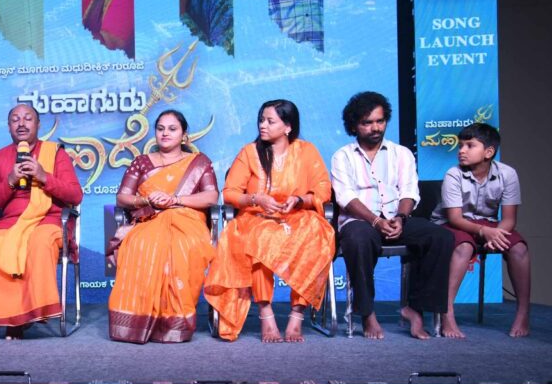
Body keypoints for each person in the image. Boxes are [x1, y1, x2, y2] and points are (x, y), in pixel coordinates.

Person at [204, 100, 334, 342]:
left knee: (316, 234)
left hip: (296, 215)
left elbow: (323, 189)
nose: (262, 125)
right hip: (255, 217)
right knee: (261, 239)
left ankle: (297, 316)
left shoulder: (307, 151)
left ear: (288, 127)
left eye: (270, 121)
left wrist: (300, 200)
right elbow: (230, 192)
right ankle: (266, 313)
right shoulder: (250, 152)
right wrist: (256, 199)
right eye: (261, 120)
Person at [331, 91, 453, 340]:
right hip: (360, 221)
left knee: (440, 237)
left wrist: (401, 218)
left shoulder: (401, 153)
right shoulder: (342, 156)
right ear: (354, 126)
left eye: (380, 120)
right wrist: (376, 221)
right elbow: (345, 197)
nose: (375, 127)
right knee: (358, 238)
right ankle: (367, 313)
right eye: (367, 123)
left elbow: (409, 191)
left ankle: (415, 309)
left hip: (396, 218)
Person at [0, 103, 83, 339]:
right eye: (15, 119)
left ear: (38, 125)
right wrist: (10, 180)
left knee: (38, 241)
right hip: (10, 223)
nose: (21, 124)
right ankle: (11, 315)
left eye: (27, 118)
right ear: (8, 126)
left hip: (49, 221)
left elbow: (75, 195)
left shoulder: (56, 154)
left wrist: (43, 176)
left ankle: (33, 311)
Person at [108, 110, 218, 343]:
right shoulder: (141, 162)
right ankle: (138, 322)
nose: (165, 133)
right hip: (150, 219)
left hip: (188, 221)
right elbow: (122, 197)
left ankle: (173, 324)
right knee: (140, 243)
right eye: (160, 129)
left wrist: (175, 199)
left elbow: (211, 197)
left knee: (182, 246)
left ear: (184, 135)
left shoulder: (199, 163)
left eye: (172, 129)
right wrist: (146, 200)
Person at [432, 123, 529, 338]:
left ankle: (523, 313)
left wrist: (495, 235)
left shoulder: (508, 174)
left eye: (470, 145)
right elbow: (455, 218)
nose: (462, 150)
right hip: (453, 224)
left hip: (490, 224)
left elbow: (509, 219)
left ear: (488, 152)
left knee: (519, 248)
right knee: (465, 246)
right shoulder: (453, 174)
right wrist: (484, 232)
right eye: (460, 145)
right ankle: (447, 312)